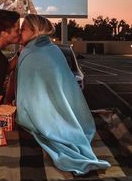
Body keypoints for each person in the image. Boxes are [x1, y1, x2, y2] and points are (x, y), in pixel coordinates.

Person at [16, 14, 110, 175]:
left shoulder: (33, 54)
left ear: (35, 31)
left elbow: (28, 94)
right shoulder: (52, 49)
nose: (19, 32)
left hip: (42, 114)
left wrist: (22, 110)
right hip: (67, 110)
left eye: (23, 29)